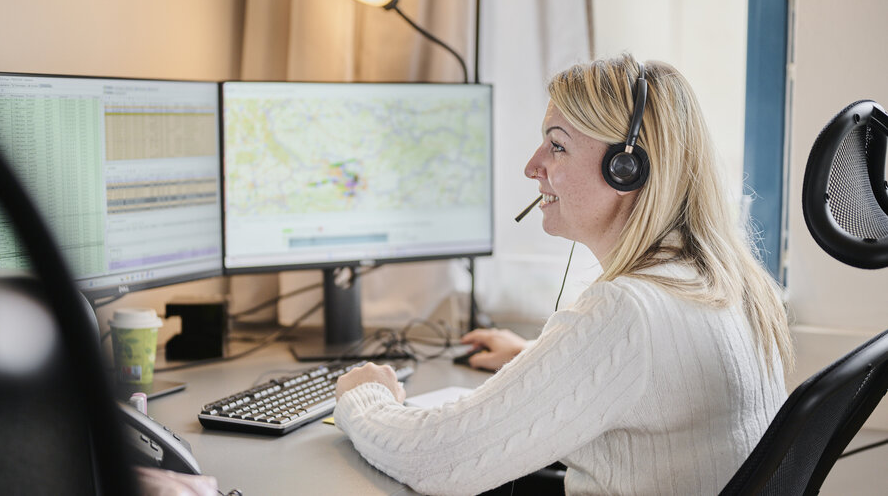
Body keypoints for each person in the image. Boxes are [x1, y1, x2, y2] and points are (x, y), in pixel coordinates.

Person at [333, 54, 793, 495]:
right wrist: (539, 360)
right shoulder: (723, 281)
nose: (532, 166)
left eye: (557, 145)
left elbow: (433, 461)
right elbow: (657, 377)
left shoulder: (626, 311)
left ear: (625, 169)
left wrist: (366, 397)